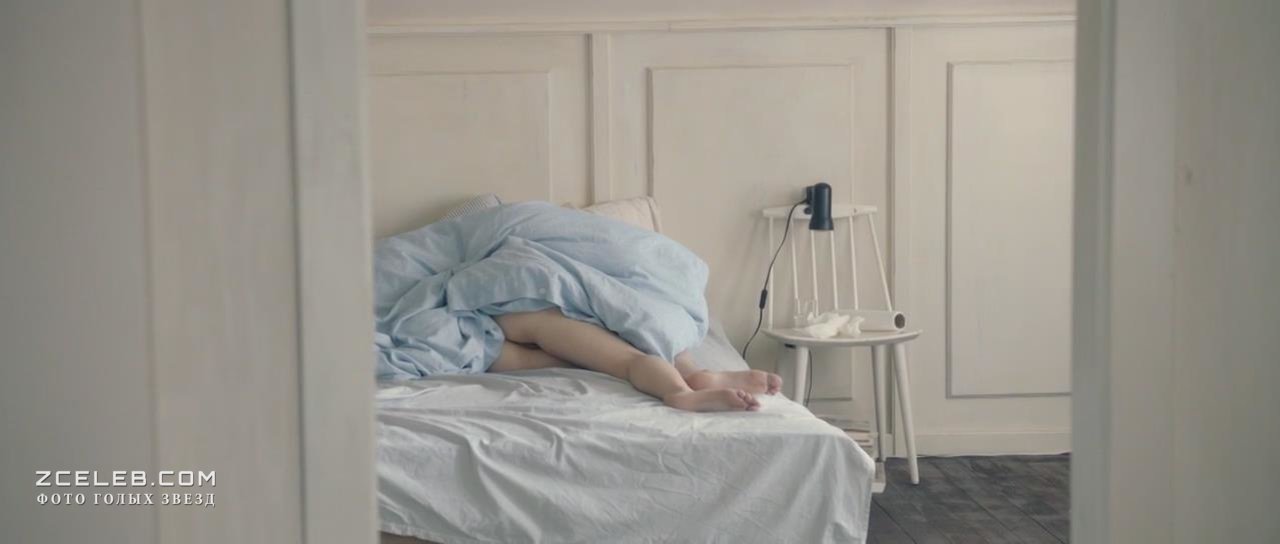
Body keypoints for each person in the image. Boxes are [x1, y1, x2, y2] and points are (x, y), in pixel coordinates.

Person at [488, 308, 783, 412]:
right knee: (646, 335)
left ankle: (683, 387)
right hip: (562, 309)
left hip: (536, 315)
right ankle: (690, 376)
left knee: (628, 359)